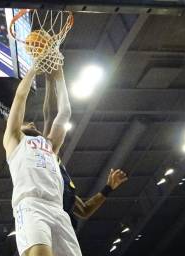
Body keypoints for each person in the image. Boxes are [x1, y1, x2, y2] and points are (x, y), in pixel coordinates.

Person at [4, 66, 86, 256]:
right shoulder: (14, 140)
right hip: (31, 206)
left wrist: (59, 75)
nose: (31, 122)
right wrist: (34, 68)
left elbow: (64, 113)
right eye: (26, 122)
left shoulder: (50, 146)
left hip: (58, 212)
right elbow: (20, 97)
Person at [42, 73, 128, 229]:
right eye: (28, 126)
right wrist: (49, 76)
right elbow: (51, 115)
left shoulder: (57, 167)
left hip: (66, 233)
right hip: (46, 230)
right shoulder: (41, 154)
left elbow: (84, 211)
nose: (32, 125)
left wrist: (108, 188)